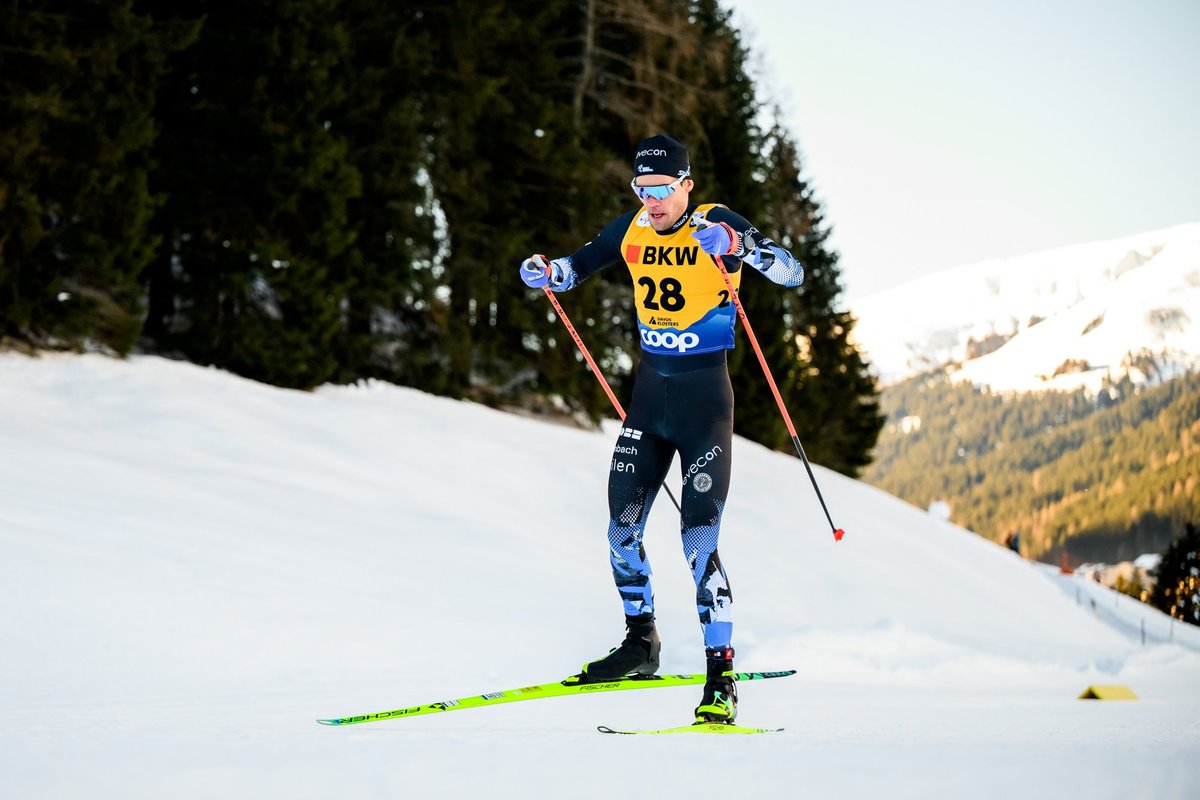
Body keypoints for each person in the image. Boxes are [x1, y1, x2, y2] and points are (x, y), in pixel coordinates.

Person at [518, 134, 804, 723]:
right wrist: (545, 271)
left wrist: (738, 244)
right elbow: (573, 269)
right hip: (650, 407)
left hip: (705, 410)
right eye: (641, 189)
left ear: (687, 185)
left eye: (662, 189)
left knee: (698, 542)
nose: (652, 201)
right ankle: (640, 644)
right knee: (620, 532)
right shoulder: (631, 230)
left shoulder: (714, 221)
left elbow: (792, 272)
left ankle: (720, 677)